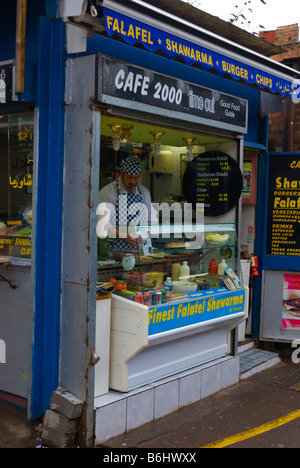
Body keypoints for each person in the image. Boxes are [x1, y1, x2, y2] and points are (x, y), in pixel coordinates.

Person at [98, 155, 157, 250]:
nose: (132, 181)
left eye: (136, 177)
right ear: (122, 173)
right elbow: (102, 223)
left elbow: (149, 221)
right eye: (129, 177)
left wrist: (147, 250)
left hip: (139, 251)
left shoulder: (145, 193)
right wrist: (123, 235)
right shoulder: (107, 193)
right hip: (114, 252)